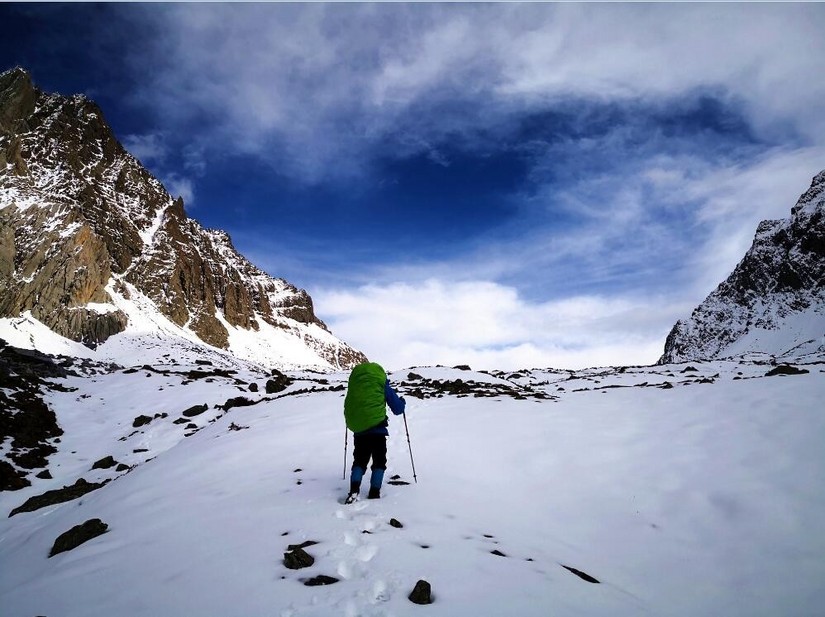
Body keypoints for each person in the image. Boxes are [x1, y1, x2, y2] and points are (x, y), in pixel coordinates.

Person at [344, 361, 406, 502]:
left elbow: (348, 405)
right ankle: (374, 492)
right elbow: (397, 408)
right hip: (378, 430)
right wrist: (402, 403)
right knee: (379, 461)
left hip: (360, 432)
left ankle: (354, 490)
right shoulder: (381, 384)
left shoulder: (355, 387)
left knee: (359, 460)